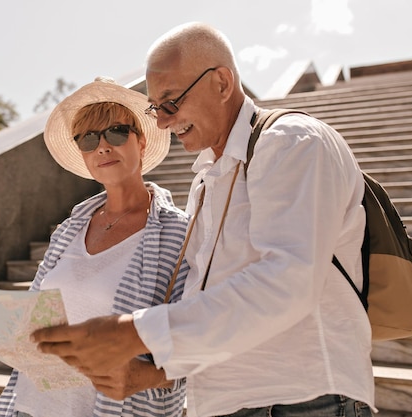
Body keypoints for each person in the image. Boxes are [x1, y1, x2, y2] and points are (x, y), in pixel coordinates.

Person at [31, 22, 375, 417]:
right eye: (156, 107)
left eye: (170, 102)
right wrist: (147, 375)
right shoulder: (206, 180)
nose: (161, 121)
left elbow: (288, 280)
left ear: (222, 83)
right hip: (225, 401)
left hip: (303, 399)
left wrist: (133, 332)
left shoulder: (292, 141)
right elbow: (207, 304)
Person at [0, 76, 190, 417]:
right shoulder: (68, 230)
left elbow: (204, 337)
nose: (102, 147)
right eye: (88, 138)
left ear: (141, 141)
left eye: (116, 132)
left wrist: (147, 376)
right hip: (31, 406)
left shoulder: (179, 234)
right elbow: (32, 320)